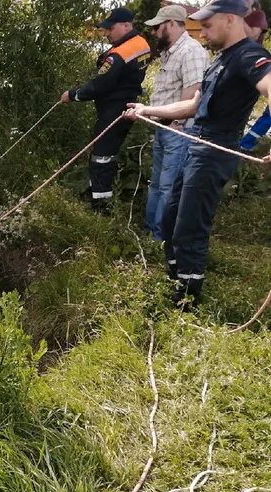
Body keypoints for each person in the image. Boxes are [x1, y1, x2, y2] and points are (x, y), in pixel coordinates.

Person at [124, 0, 271, 309]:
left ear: (231, 20)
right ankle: (175, 276)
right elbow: (192, 106)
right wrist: (146, 109)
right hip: (194, 143)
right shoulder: (221, 60)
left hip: (214, 152)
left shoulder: (250, 55)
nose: (201, 32)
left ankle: (188, 298)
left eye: (207, 25)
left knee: (190, 225)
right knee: (170, 218)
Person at [60, 7, 152, 211]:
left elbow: (99, 85)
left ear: (126, 25)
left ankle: (101, 204)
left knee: (102, 155)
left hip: (114, 109)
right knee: (108, 152)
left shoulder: (120, 54)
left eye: (111, 28)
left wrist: (73, 95)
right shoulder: (141, 44)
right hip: (127, 104)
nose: (108, 33)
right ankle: (100, 193)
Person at [142, 4, 210, 239]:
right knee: (157, 185)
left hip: (178, 131)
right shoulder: (170, 51)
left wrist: (175, 125)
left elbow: (192, 97)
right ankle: (150, 231)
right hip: (163, 128)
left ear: (171, 24)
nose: (154, 32)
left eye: (157, 27)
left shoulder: (191, 52)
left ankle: (160, 239)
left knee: (168, 188)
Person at [241, 1, 270, 150]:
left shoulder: (258, 15)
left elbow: (252, 36)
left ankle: (245, 142)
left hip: (254, 64)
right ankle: (245, 142)